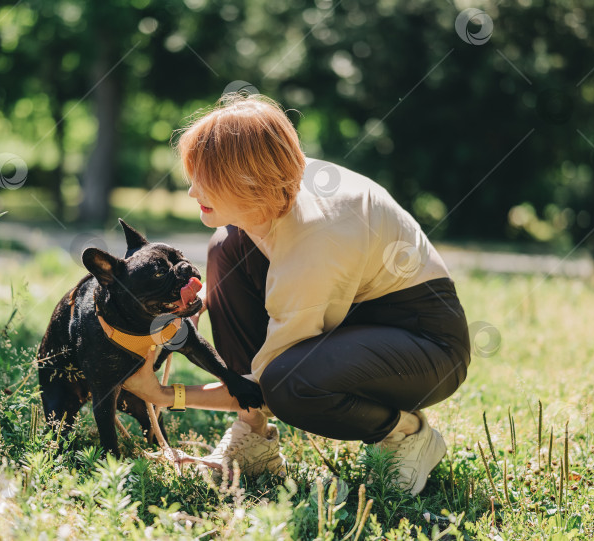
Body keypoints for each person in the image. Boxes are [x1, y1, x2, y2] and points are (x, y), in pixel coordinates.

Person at [122, 93, 471, 495]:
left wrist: (164, 394)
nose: (191, 191)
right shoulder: (271, 194)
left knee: (288, 384)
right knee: (227, 246)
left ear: (247, 181)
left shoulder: (315, 239)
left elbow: (266, 386)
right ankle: (252, 434)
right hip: (360, 316)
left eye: (206, 179)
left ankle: (408, 434)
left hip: (427, 343)